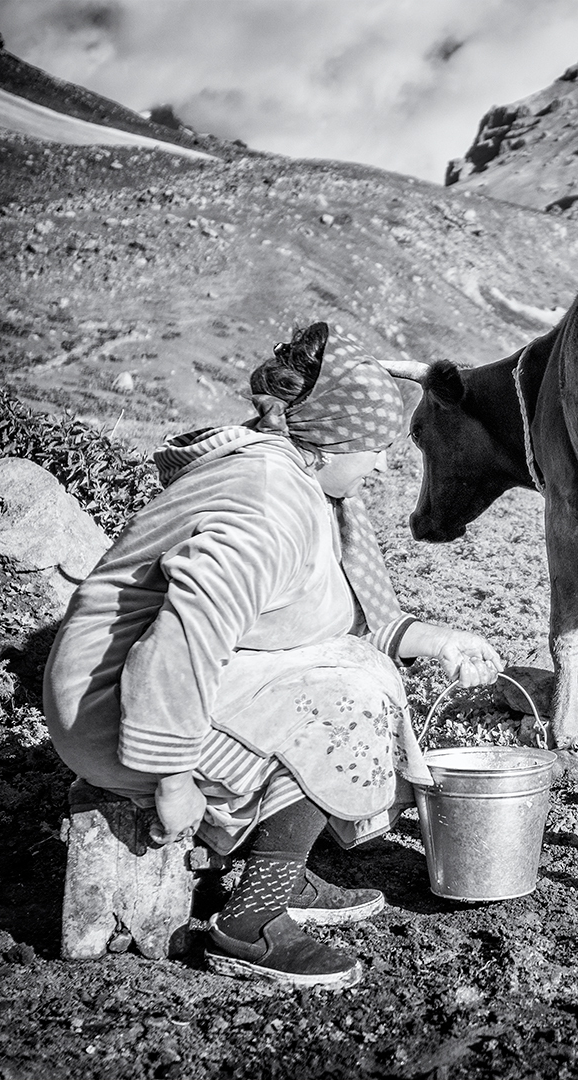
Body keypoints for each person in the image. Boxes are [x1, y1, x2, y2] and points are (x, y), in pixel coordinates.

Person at [44, 321, 502, 988]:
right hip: (115, 710)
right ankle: (249, 922)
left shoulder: (293, 479)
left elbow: (314, 623)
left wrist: (436, 640)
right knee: (350, 702)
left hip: (144, 690)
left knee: (358, 671)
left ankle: (279, 873)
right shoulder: (267, 508)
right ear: (332, 441)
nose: (381, 466)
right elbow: (183, 638)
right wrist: (170, 778)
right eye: (376, 448)